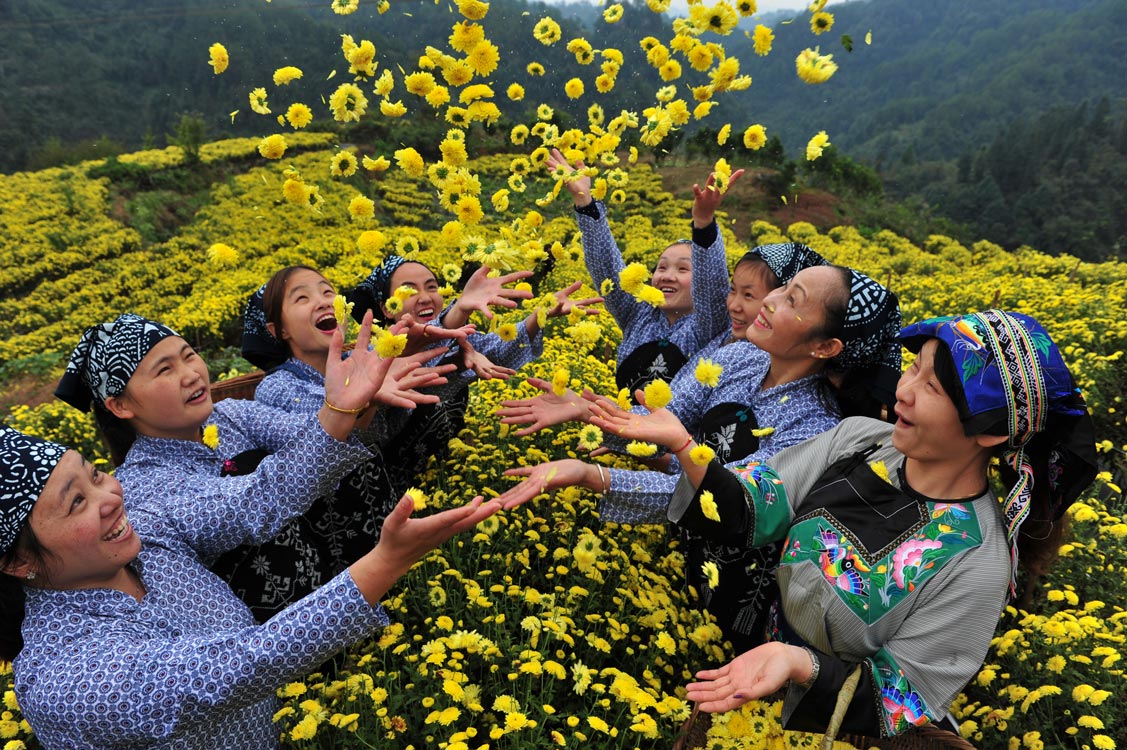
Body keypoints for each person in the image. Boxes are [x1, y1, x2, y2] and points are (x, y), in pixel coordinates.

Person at [584, 310, 1096, 737]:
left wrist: (801, 665)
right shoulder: (857, 442)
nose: (905, 390)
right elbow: (749, 508)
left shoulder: (976, 559)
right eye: (912, 368)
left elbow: (901, 700)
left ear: (987, 433)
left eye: (932, 387)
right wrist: (683, 445)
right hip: (747, 682)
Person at [0, 424, 499, 749]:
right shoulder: (63, 675)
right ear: (21, 562)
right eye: (76, 503)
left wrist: (339, 414)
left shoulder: (147, 536)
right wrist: (386, 562)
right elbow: (235, 667)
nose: (110, 496)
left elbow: (257, 500)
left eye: (95, 475)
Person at [496, 263, 902, 652]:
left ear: (825, 346)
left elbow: (720, 499)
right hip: (678, 558)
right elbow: (665, 424)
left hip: (736, 589)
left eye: (793, 300)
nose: (771, 300)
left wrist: (594, 475)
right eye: (783, 287)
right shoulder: (742, 357)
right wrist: (590, 413)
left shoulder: (816, 427)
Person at [54, 311, 444, 621]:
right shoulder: (140, 486)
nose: (191, 373)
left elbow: (321, 439)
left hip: (360, 593)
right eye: (164, 370)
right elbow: (253, 505)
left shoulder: (230, 416)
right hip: (287, 644)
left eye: (189, 355)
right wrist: (340, 411)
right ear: (121, 406)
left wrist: (361, 401)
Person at [344, 254, 601, 498]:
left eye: (432, 287)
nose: (425, 297)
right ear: (386, 309)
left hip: (438, 484)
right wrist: (456, 331)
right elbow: (373, 429)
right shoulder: (368, 358)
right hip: (373, 493)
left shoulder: (462, 342)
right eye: (409, 290)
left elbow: (501, 348)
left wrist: (539, 315)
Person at [546, 148, 736, 395]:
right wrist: (585, 202)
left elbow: (712, 288)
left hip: (674, 433)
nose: (667, 275)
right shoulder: (638, 315)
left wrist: (704, 222)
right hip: (621, 427)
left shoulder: (708, 326)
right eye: (662, 267)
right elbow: (609, 272)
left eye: (682, 269)